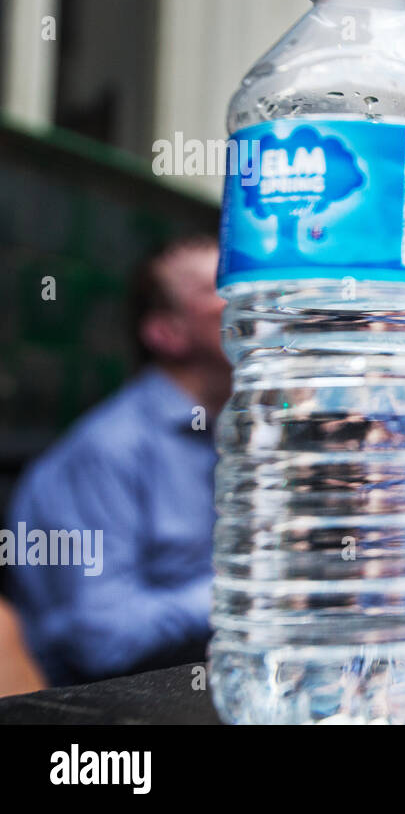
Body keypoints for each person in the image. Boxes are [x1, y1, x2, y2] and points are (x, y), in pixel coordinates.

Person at [7, 235, 229, 684]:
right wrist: (248, 588)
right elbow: (102, 637)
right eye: (218, 287)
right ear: (165, 333)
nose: (248, 295)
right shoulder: (106, 451)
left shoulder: (239, 431)